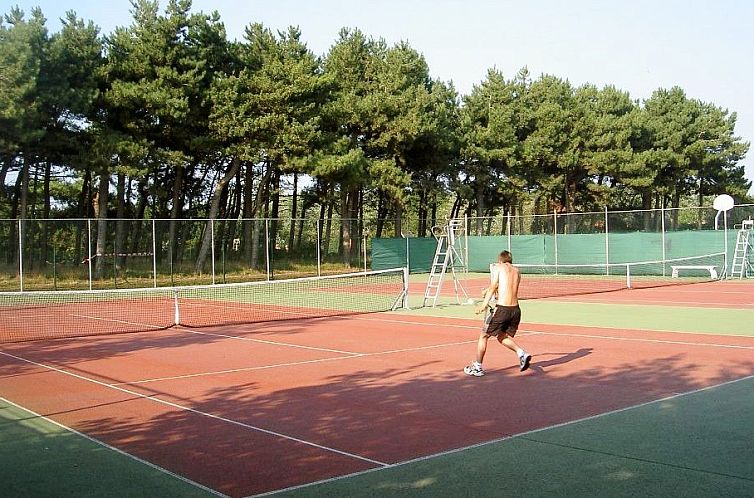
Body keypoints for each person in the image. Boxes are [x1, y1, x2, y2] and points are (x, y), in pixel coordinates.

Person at [464, 250, 532, 376]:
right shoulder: (517, 271)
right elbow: (505, 288)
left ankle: (477, 367)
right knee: (501, 336)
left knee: (483, 336)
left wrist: (483, 305)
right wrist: (487, 291)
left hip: (503, 309)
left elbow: (494, 286)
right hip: (515, 310)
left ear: (500, 260)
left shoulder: (498, 267)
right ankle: (521, 353)